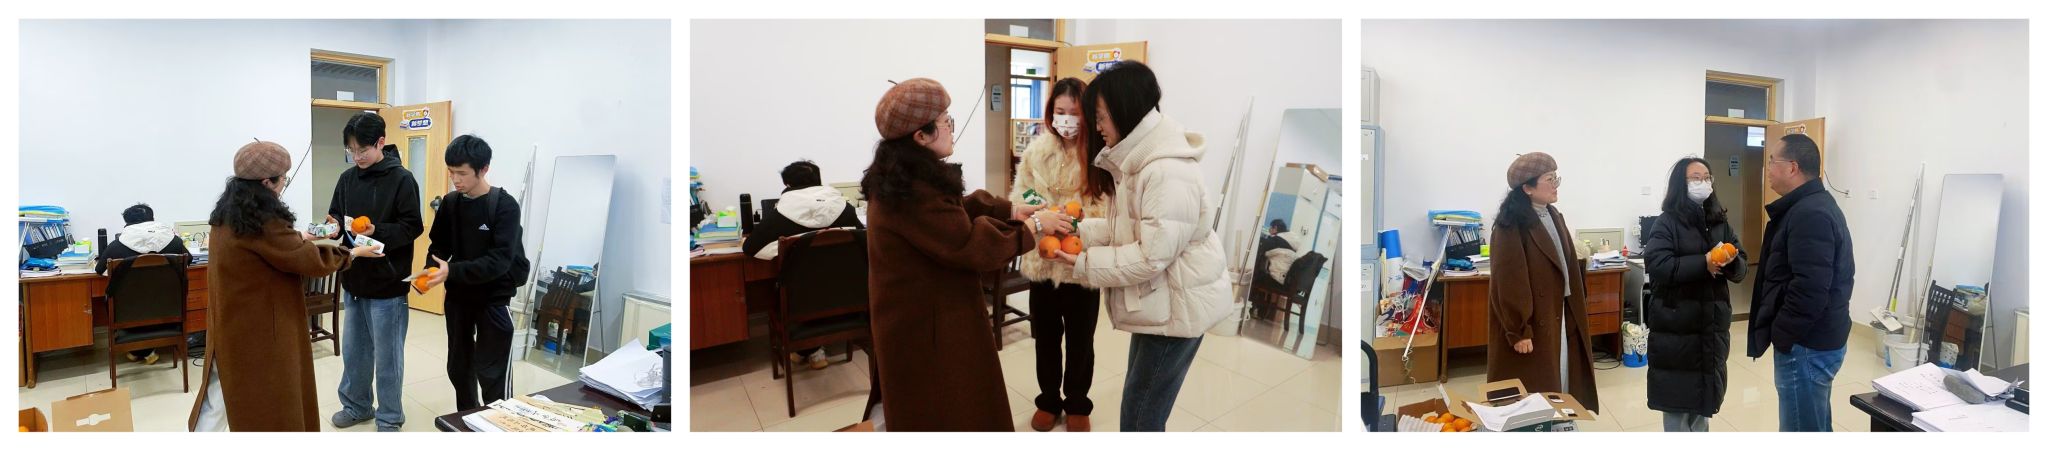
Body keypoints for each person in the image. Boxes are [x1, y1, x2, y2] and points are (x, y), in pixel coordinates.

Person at [862, 78, 1057, 431]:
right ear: (921, 136)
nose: (952, 128)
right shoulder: (914, 191)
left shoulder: (902, 177)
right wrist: (1034, 227)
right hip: (928, 326)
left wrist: (1010, 210)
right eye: (945, 121)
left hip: (921, 316)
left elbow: (953, 211)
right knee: (950, 409)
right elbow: (970, 245)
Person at [1050, 61, 1232, 432]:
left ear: (1125, 110)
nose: (1097, 127)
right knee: (1138, 405)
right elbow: (1127, 229)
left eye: (1100, 117)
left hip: (1177, 310)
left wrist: (1084, 263)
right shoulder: (1139, 163)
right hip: (1158, 304)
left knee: (1140, 416)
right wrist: (1079, 229)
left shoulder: (1166, 171)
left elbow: (1150, 256)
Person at [188, 140, 383, 432]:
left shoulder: (229, 213)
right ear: (266, 183)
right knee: (270, 401)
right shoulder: (264, 220)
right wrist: (352, 253)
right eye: (283, 180)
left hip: (231, 322)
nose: (283, 185)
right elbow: (308, 260)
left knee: (219, 396)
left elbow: (271, 248)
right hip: (261, 329)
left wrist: (301, 236)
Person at [1007, 77, 1106, 432]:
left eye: (1074, 112)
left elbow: (1107, 206)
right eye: (1060, 111)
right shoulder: (1036, 153)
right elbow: (1022, 194)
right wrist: (1043, 215)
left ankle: (1077, 401)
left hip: (1081, 262)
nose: (1066, 120)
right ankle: (1048, 399)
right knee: (1045, 338)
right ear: (1051, 113)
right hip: (1042, 259)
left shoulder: (1100, 156)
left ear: (1087, 114)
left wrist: (1074, 222)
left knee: (1081, 339)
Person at [322, 112, 425, 431]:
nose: (356, 156)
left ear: (381, 142)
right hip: (354, 280)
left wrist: (376, 229)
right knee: (355, 353)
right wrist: (328, 227)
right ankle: (357, 406)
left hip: (388, 284)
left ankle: (390, 417)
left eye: (362, 150)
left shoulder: (402, 179)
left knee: (388, 357)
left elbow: (413, 226)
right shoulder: (347, 179)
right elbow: (335, 218)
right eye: (351, 150)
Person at [1747, 133, 1854, 432]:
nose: (1768, 168)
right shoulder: (1810, 206)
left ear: (1792, 167)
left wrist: (1783, 334)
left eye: (1772, 161)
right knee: (1814, 423)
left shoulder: (1810, 213)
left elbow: (1810, 289)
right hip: (1816, 339)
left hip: (1807, 344)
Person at [420, 134, 530, 412]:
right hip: (459, 297)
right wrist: (430, 270)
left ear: (483, 169)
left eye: (462, 173)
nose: (455, 179)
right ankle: (467, 419)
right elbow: (439, 246)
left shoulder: (504, 206)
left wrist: (452, 270)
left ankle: (498, 422)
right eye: (451, 172)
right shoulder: (450, 203)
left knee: (492, 371)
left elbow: (499, 261)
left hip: (493, 298)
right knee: (459, 367)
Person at [1484, 152, 1601, 413]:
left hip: (1559, 310)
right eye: (1549, 179)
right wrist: (1519, 330)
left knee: (1561, 374)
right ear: (1527, 188)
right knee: (1533, 387)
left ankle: (1558, 418)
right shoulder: (1510, 225)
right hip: (1533, 319)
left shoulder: (1553, 214)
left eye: (1556, 178)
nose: (1556, 184)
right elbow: (1509, 281)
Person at [1644, 157, 1747, 432]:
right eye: (1695, 178)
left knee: (1703, 404)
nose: (1703, 183)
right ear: (1681, 184)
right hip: (1677, 330)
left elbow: (1741, 266)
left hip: (1710, 329)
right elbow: (1658, 265)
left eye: (1707, 177)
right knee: (1678, 408)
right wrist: (1704, 263)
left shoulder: (1719, 222)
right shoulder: (1666, 222)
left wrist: (1730, 262)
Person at [741, 159, 865, 370]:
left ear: (787, 185)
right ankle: (813, 351)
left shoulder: (781, 213)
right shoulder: (844, 207)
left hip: (798, 300)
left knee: (780, 289)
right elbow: (861, 237)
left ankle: (807, 349)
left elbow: (750, 247)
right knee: (821, 286)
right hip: (845, 295)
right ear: (818, 180)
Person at [95, 203, 192, 365]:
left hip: (128, 313)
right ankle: (149, 348)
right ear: (152, 219)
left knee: (110, 297)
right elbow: (188, 260)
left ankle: (138, 349)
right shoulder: (174, 242)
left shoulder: (117, 246)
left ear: (127, 223)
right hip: (167, 308)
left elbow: (100, 269)